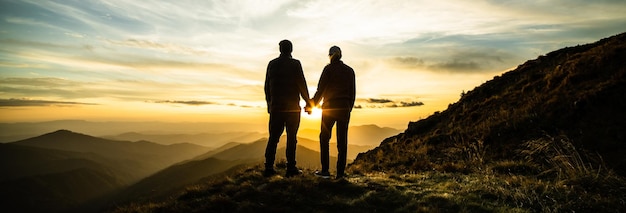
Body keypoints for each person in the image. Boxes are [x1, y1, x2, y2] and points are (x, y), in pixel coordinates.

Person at [264, 40, 313, 177]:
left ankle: (268, 167)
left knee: (273, 138)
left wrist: (269, 104)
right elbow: (301, 84)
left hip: (276, 108)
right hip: (292, 109)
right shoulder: (295, 64)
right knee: (292, 138)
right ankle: (290, 168)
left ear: (280, 49)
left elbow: (267, 87)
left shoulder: (272, 64)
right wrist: (309, 103)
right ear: (291, 50)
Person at [311, 45, 356, 179]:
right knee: (342, 141)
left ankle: (325, 171)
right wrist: (349, 108)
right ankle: (340, 173)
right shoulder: (349, 71)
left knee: (324, 138)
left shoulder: (328, 69)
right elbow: (352, 93)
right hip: (344, 108)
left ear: (330, 56)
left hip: (329, 108)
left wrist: (312, 105)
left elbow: (320, 90)